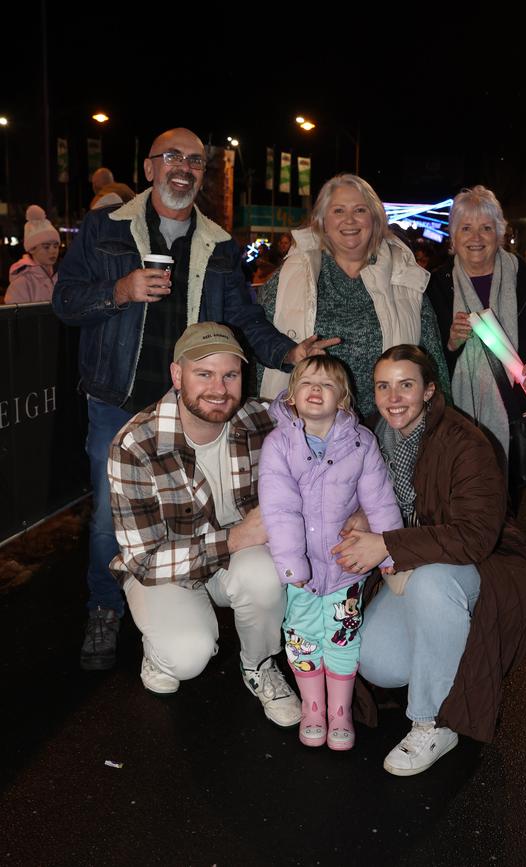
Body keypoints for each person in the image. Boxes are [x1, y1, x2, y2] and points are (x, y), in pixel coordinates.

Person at [52, 127, 338, 673]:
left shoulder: (219, 243)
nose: (184, 167)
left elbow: (244, 320)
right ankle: (105, 607)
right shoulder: (102, 228)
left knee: (194, 501)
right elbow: (65, 301)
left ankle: (188, 591)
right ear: (150, 167)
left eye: (196, 161)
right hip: (117, 398)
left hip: (189, 399)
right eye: (173, 157)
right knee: (111, 520)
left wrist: (288, 354)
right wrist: (120, 291)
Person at [332, 345, 526, 777]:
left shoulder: (465, 443)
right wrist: (356, 516)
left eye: (406, 385)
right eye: (383, 386)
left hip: (482, 564)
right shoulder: (373, 433)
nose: (394, 397)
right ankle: (444, 647)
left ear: (429, 391)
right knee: (377, 662)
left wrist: (386, 544)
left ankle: (434, 721)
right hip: (413, 563)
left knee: (433, 585)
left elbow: (475, 536)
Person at [107, 321, 301, 726]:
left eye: (230, 375)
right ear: (177, 375)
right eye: (204, 374)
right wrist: (235, 538)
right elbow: (142, 560)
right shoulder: (135, 444)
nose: (219, 388)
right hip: (167, 568)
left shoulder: (261, 419)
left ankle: (259, 665)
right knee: (187, 658)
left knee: (265, 574)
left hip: (238, 557)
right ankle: (162, 645)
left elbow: (328, 435)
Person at [258, 356, 402, 750]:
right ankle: (313, 705)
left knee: (342, 635)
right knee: (303, 636)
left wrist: (390, 555)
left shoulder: (361, 443)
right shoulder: (279, 444)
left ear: (343, 399)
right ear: (291, 396)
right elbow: (279, 508)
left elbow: (380, 502)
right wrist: (291, 564)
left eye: (327, 384)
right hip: (301, 568)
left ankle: (339, 711)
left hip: (345, 566)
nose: (316, 389)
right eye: (306, 382)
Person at [258, 173, 451, 420]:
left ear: (375, 219)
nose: (349, 220)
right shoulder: (289, 276)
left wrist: (444, 422)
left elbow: (432, 361)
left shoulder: (405, 278)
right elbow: (260, 344)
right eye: (338, 210)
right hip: (305, 434)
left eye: (360, 210)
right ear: (322, 221)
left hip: (386, 430)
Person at [426, 186, 526, 488]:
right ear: (453, 236)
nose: (476, 238)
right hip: (459, 420)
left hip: (517, 415)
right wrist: (450, 344)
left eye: (486, 228)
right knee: (465, 497)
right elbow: (424, 358)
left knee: (508, 500)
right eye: (466, 228)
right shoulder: (437, 286)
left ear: (499, 234)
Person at [4, 206, 60, 304]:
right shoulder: (22, 283)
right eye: (46, 247)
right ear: (32, 249)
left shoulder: (61, 277)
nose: (53, 251)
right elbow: (16, 317)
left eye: (55, 246)